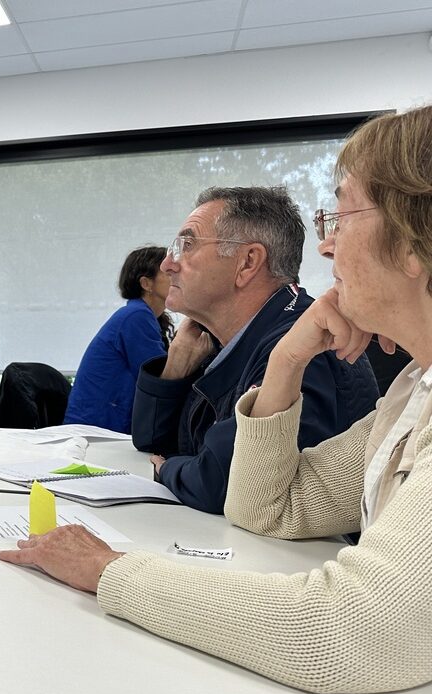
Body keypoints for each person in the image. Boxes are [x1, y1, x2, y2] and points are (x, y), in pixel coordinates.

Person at [0, 105, 432, 694]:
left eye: (343, 216)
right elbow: (266, 509)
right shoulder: (413, 391)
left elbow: (349, 635)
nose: (327, 248)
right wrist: (284, 363)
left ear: (413, 239)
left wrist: (108, 571)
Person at [131, 185, 378, 513]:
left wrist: (167, 470)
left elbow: (222, 481)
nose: (167, 265)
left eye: (187, 245)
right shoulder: (222, 340)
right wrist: (175, 365)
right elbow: (151, 440)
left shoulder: (306, 346)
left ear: (247, 263)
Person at [64, 246, 172, 433]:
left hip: (102, 428)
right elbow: (160, 380)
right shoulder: (136, 316)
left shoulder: (141, 316)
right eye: (167, 272)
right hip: (95, 432)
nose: (176, 277)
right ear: (146, 284)